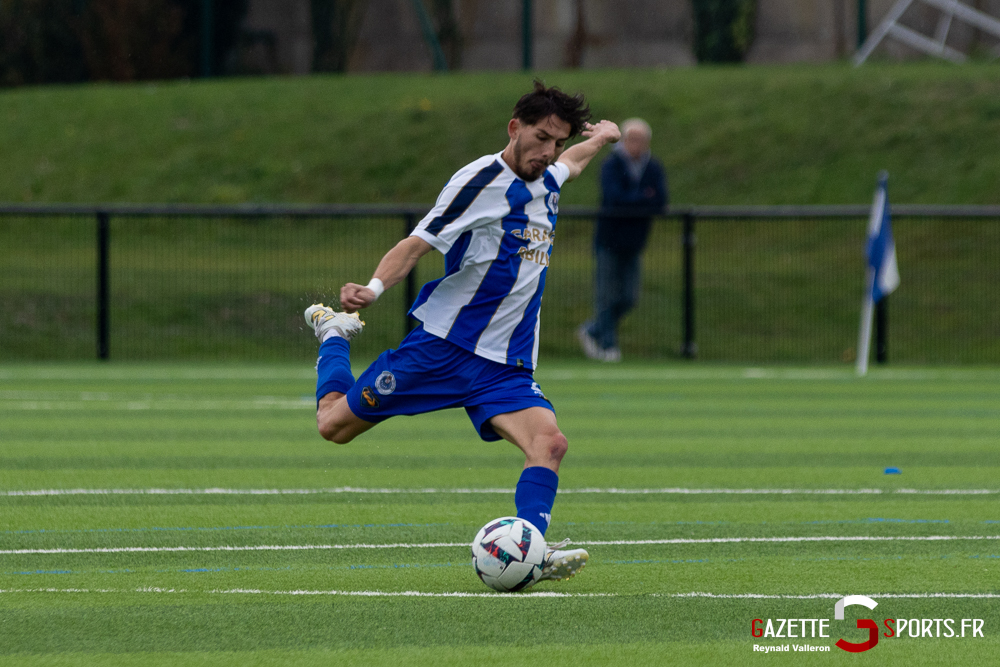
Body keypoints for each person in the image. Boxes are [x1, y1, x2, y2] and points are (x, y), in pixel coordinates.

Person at [304, 81, 620, 585]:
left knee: (550, 444)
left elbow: (573, 163)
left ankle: (532, 551)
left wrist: (602, 137)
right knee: (332, 426)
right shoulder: (478, 182)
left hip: (506, 365)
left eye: (557, 142)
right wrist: (374, 288)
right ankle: (335, 334)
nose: (548, 151)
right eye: (540, 138)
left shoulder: (549, 177)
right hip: (443, 349)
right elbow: (416, 244)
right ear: (514, 128)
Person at [577, 118, 668, 362]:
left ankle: (593, 329)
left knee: (629, 297)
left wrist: (635, 200)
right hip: (609, 239)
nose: (636, 144)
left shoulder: (653, 167)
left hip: (635, 241)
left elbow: (660, 201)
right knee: (605, 295)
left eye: (641, 140)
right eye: (632, 139)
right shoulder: (612, 164)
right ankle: (609, 346)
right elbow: (614, 198)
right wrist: (643, 198)